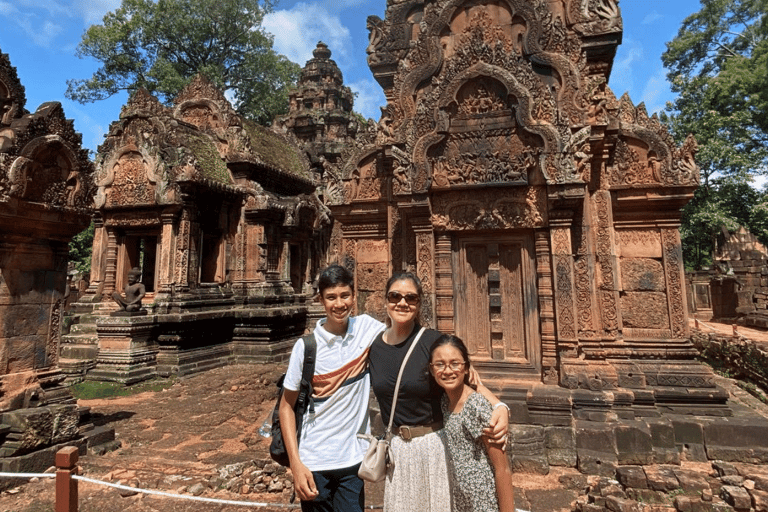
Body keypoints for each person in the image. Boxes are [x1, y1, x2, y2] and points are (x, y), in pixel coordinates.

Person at [368, 271, 509, 511]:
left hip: (433, 447)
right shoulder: (374, 347)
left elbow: (470, 379)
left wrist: (499, 406)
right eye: (395, 296)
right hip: (398, 450)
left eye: (410, 298)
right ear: (385, 300)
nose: (402, 303)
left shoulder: (433, 342)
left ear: (419, 303)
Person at [278, 264, 385, 512]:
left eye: (345, 296)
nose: (339, 304)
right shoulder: (306, 347)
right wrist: (296, 465)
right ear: (321, 300)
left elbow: (404, 337)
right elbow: (286, 407)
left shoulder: (367, 329)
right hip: (313, 461)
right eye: (331, 297)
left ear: (354, 296)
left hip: (353, 462)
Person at [430, 334, 515, 512]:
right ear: (431, 370)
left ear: (466, 368)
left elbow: (503, 468)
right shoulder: (445, 401)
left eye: (455, 364)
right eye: (440, 364)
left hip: (484, 500)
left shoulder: (476, 405)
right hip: (461, 498)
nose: (447, 371)